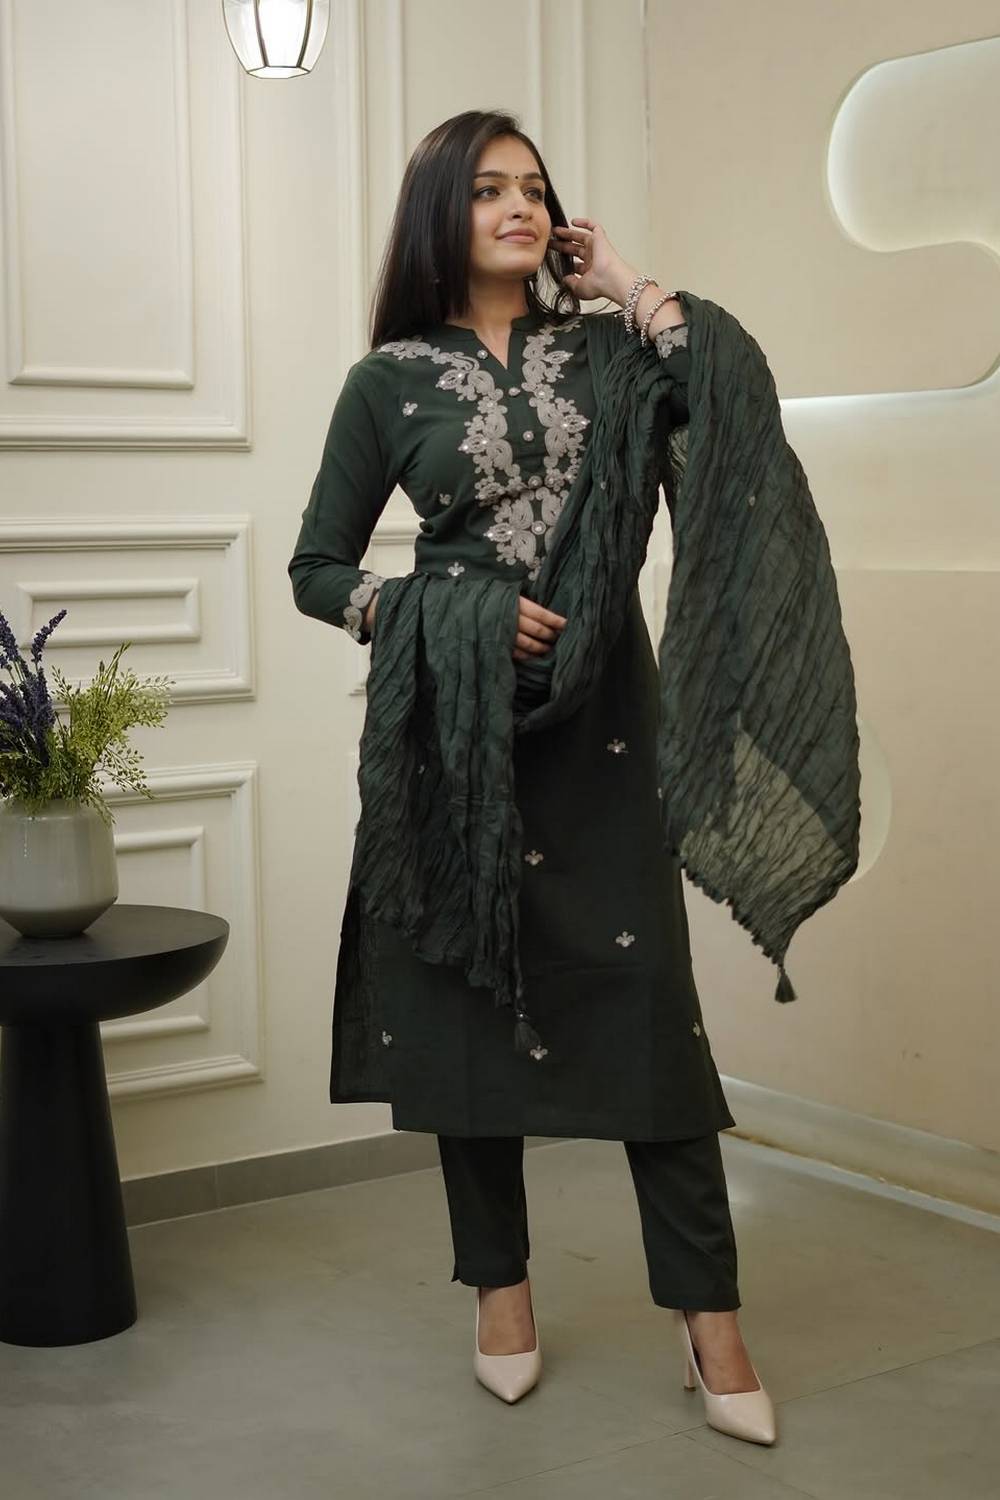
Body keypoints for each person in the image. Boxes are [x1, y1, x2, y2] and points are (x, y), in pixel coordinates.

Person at [288, 109, 778, 1445]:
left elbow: (727, 403)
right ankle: (500, 1294)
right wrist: (442, 610)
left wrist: (623, 280)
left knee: (649, 1009)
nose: (519, 207)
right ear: (440, 212)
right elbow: (318, 569)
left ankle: (710, 1317)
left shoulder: (609, 351)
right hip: (456, 728)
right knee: (466, 1003)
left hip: (605, 711)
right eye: (488, 188)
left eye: (536, 189)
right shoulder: (387, 381)